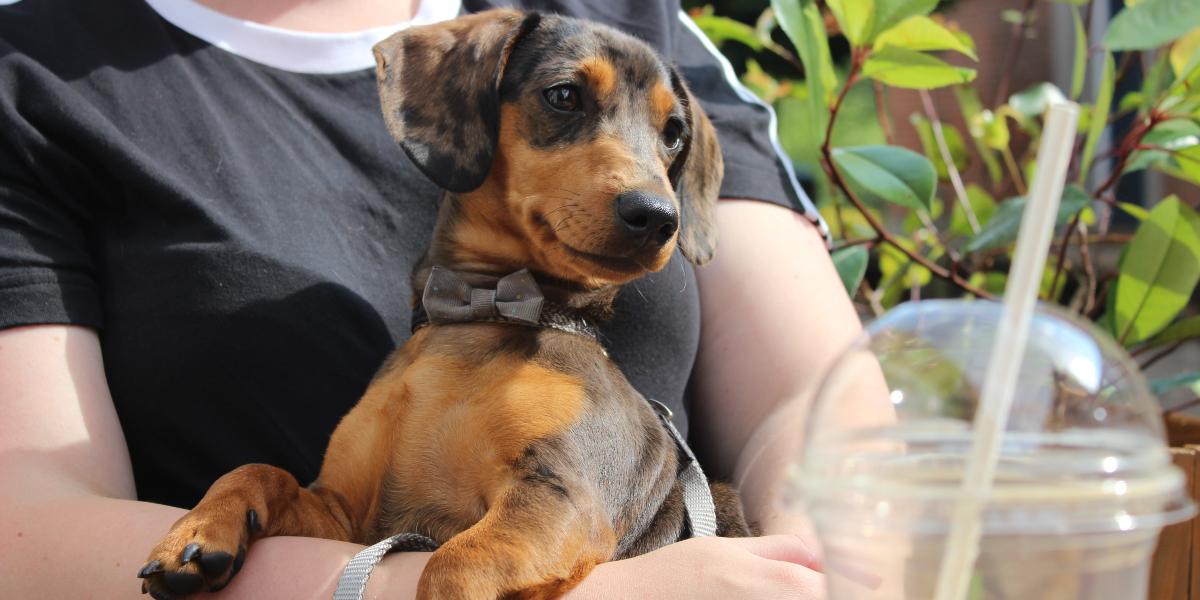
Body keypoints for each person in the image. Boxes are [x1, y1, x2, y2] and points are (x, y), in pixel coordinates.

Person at [0, 0, 863, 597]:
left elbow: (815, 399)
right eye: (565, 102)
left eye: (666, 139)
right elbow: (24, 524)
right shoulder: (30, 78)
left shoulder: (634, 21)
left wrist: (814, 572)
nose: (650, 193)